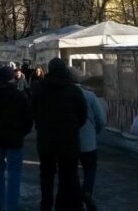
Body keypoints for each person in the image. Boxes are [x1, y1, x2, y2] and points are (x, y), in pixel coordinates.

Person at [32, 57, 87, 211]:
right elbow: (82, 114)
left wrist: (41, 125)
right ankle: (62, 204)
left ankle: (46, 203)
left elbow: (33, 110)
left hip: (46, 138)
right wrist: (73, 127)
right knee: (67, 174)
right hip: (68, 139)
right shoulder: (74, 90)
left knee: (46, 173)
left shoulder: (40, 89)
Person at [0, 66, 33, 211]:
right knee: (14, 172)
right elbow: (28, 118)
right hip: (15, 139)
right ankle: (12, 205)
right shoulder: (20, 95)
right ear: (12, 78)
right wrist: (22, 132)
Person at [73, 68, 106, 211]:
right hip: (88, 140)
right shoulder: (90, 96)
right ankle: (87, 191)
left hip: (68, 140)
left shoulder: (61, 95)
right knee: (90, 169)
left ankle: (75, 196)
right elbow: (101, 119)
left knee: (71, 170)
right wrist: (95, 131)